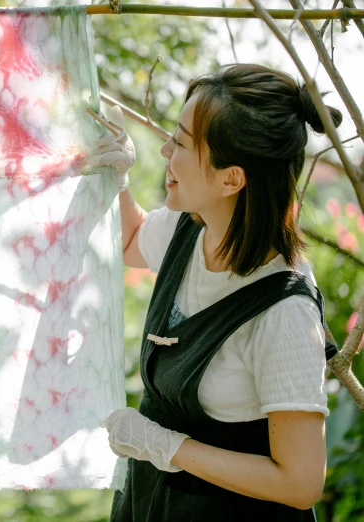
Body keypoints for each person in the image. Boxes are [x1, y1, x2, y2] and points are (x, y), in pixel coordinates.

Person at [87, 63, 343, 521]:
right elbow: (132, 242)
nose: (165, 149)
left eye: (181, 143)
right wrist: (117, 178)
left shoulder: (283, 312)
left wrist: (168, 446)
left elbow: (301, 483)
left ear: (231, 178)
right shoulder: (190, 229)